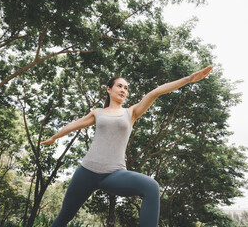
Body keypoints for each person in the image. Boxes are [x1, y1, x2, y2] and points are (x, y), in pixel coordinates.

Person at [41, 65, 214, 227]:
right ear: (109, 89)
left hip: (114, 174)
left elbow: (155, 92)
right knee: (64, 216)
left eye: (126, 88)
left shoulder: (131, 112)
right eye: (120, 86)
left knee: (151, 186)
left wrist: (189, 78)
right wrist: (54, 138)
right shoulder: (97, 113)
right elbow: (74, 124)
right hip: (87, 171)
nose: (123, 90)